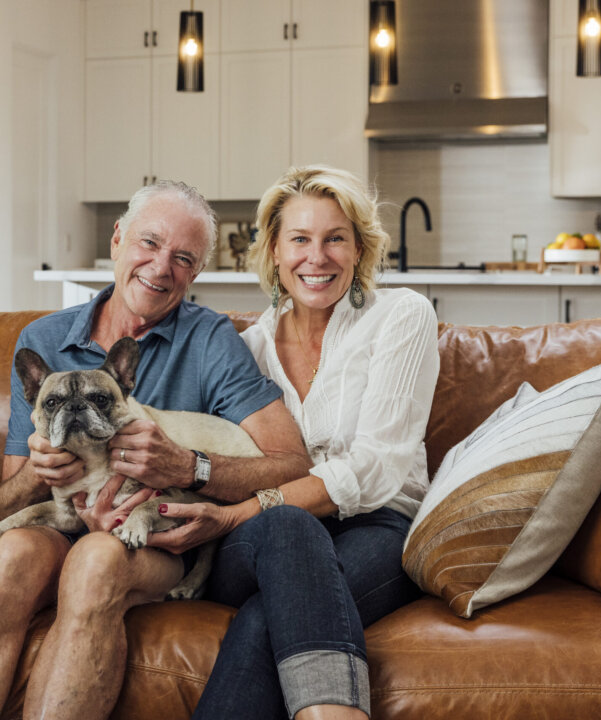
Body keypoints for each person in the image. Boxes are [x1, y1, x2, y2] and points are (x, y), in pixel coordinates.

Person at [0, 180, 311, 720]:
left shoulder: (212, 342)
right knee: (9, 558)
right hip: (62, 521)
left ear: (195, 274)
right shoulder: (44, 339)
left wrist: (188, 465)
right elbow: (4, 506)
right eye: (149, 243)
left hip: (155, 538)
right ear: (117, 239)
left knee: (97, 560)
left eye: (183, 258)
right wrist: (39, 470)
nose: (161, 266)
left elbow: (293, 466)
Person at [147, 165, 440, 719]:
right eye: (300, 239)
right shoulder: (247, 349)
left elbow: (377, 467)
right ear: (275, 251)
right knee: (286, 526)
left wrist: (242, 514)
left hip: (376, 526)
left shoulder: (402, 315)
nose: (318, 257)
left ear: (359, 249)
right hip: (260, 539)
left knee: (266, 618)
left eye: (335, 239)